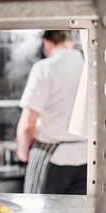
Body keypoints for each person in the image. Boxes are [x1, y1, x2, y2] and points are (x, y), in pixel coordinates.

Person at [16, 30, 87, 194]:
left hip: (52, 157)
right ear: (72, 43)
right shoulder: (90, 67)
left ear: (46, 43)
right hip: (85, 159)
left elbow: (27, 124)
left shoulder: (44, 68)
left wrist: (22, 151)